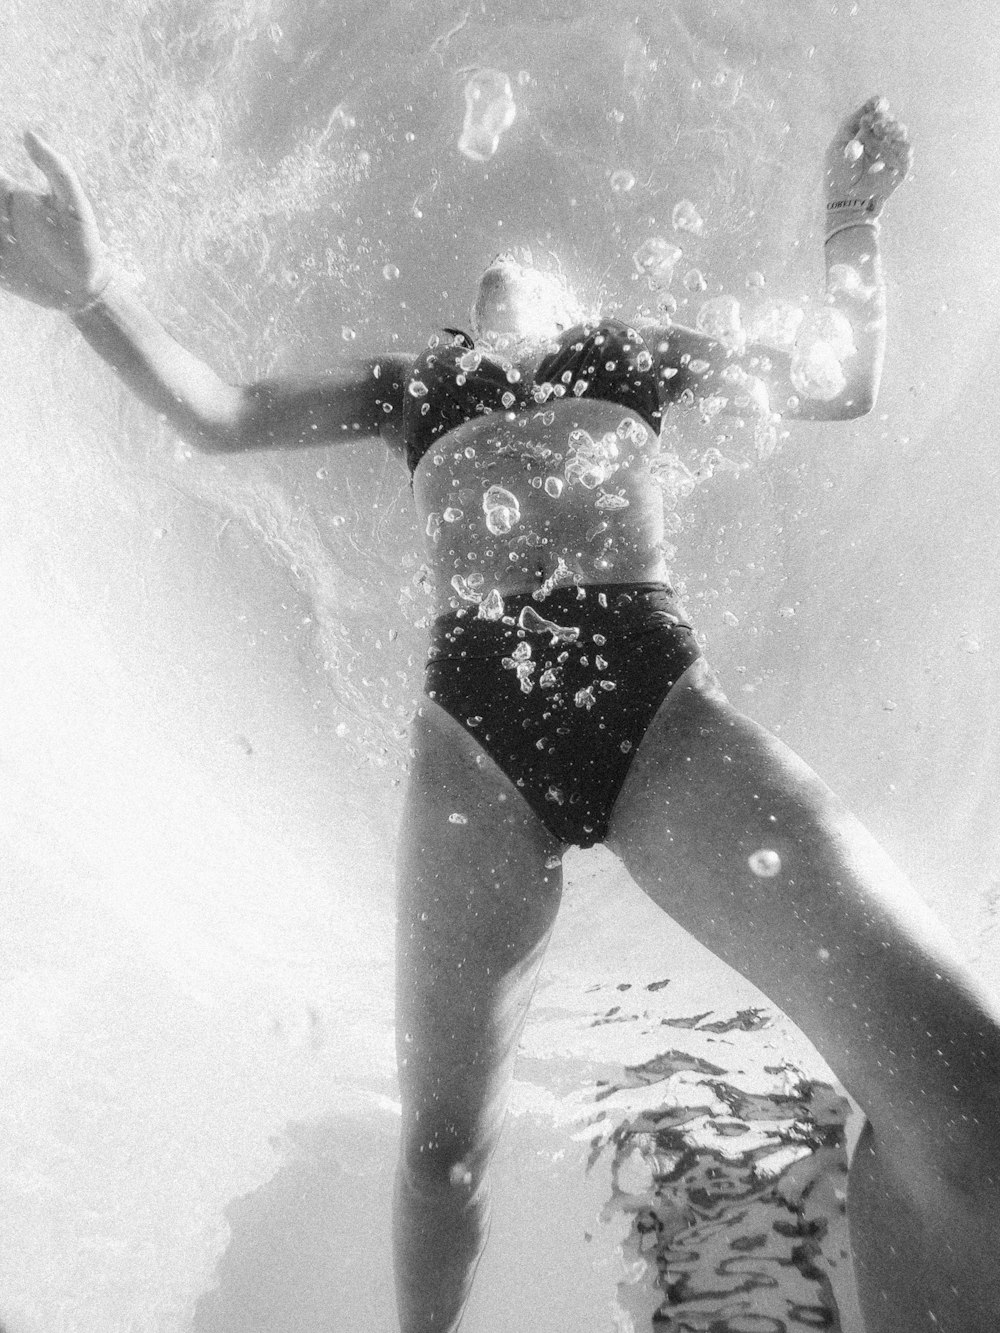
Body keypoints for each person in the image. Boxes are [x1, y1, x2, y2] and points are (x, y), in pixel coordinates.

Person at [2, 96, 998, 1333]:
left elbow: (834, 383)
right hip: (477, 737)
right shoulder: (422, 385)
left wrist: (851, 215)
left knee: (971, 1105)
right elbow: (222, 413)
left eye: (528, 274)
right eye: (485, 280)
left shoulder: (625, 352)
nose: (504, 273)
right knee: (439, 1152)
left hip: (659, 706)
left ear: (569, 303)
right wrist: (93, 296)